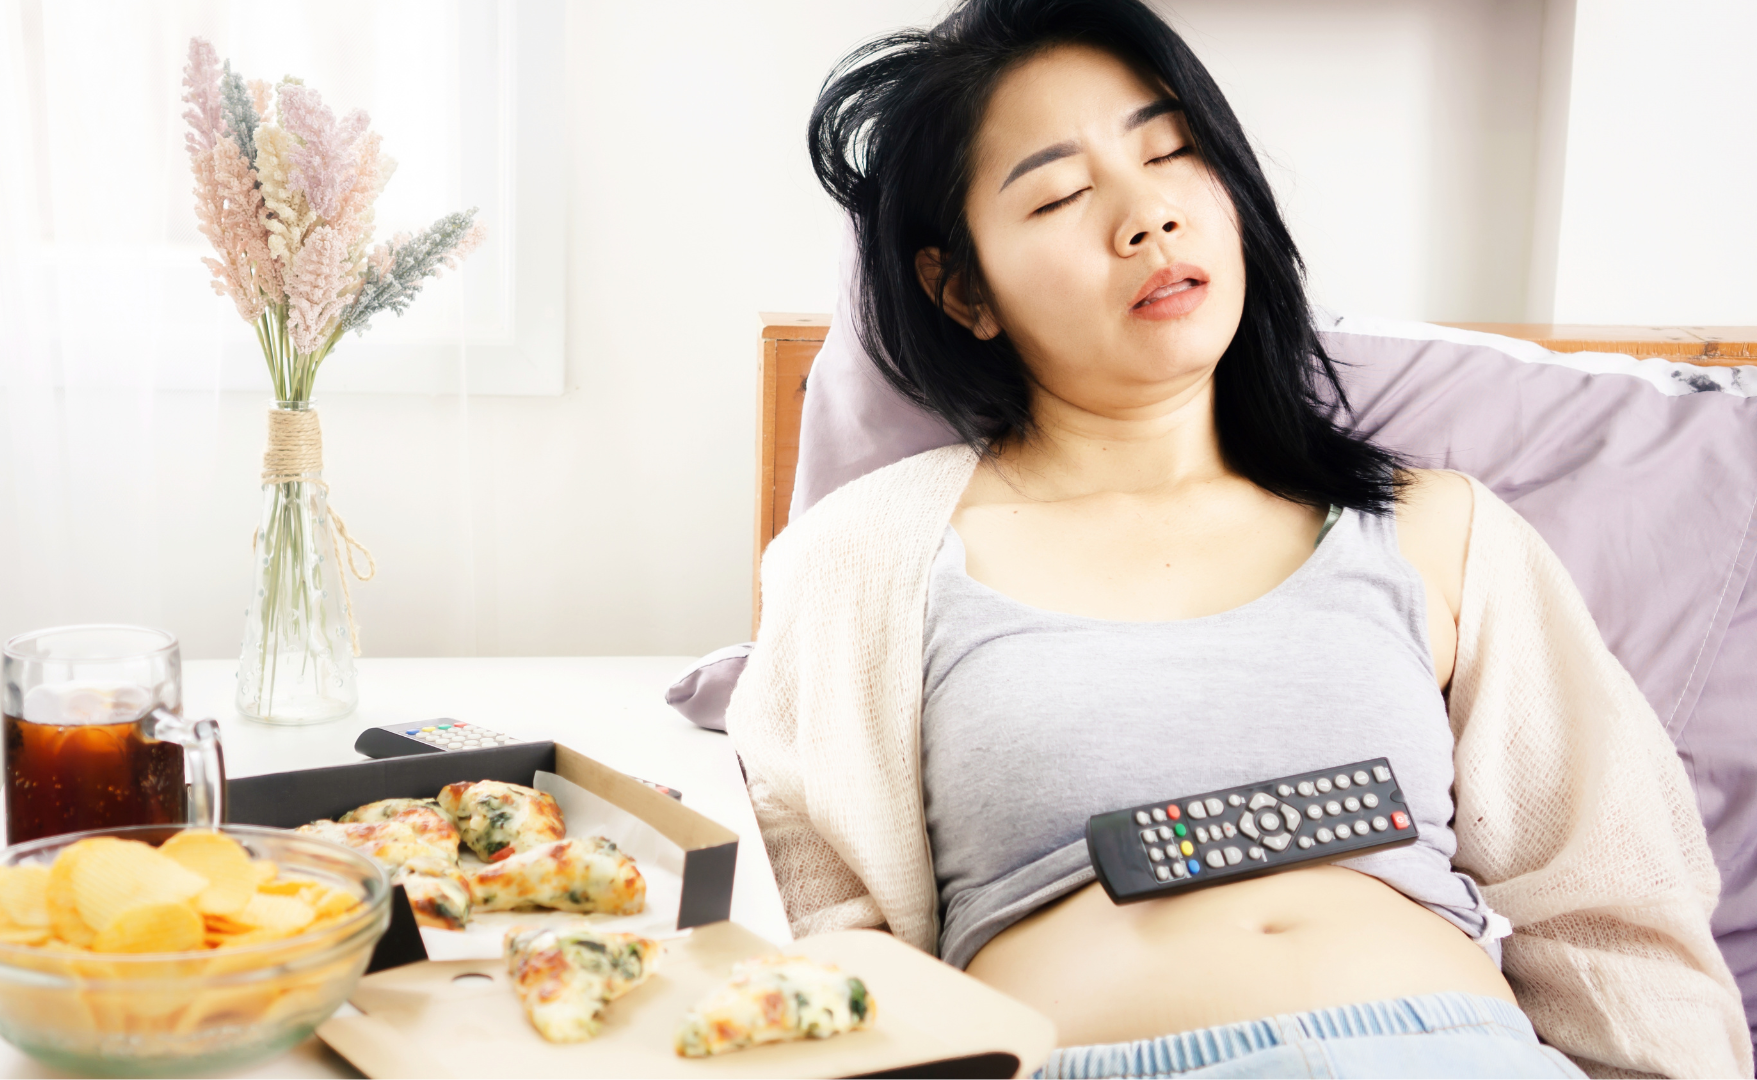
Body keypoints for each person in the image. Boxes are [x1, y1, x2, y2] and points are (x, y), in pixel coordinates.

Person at [727, 1, 1748, 1076]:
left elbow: (1616, 914)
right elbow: (818, 939)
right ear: (964, 289)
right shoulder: (867, 561)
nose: (1148, 217)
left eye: (1173, 152)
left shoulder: (1437, 529)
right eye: (1062, 194)